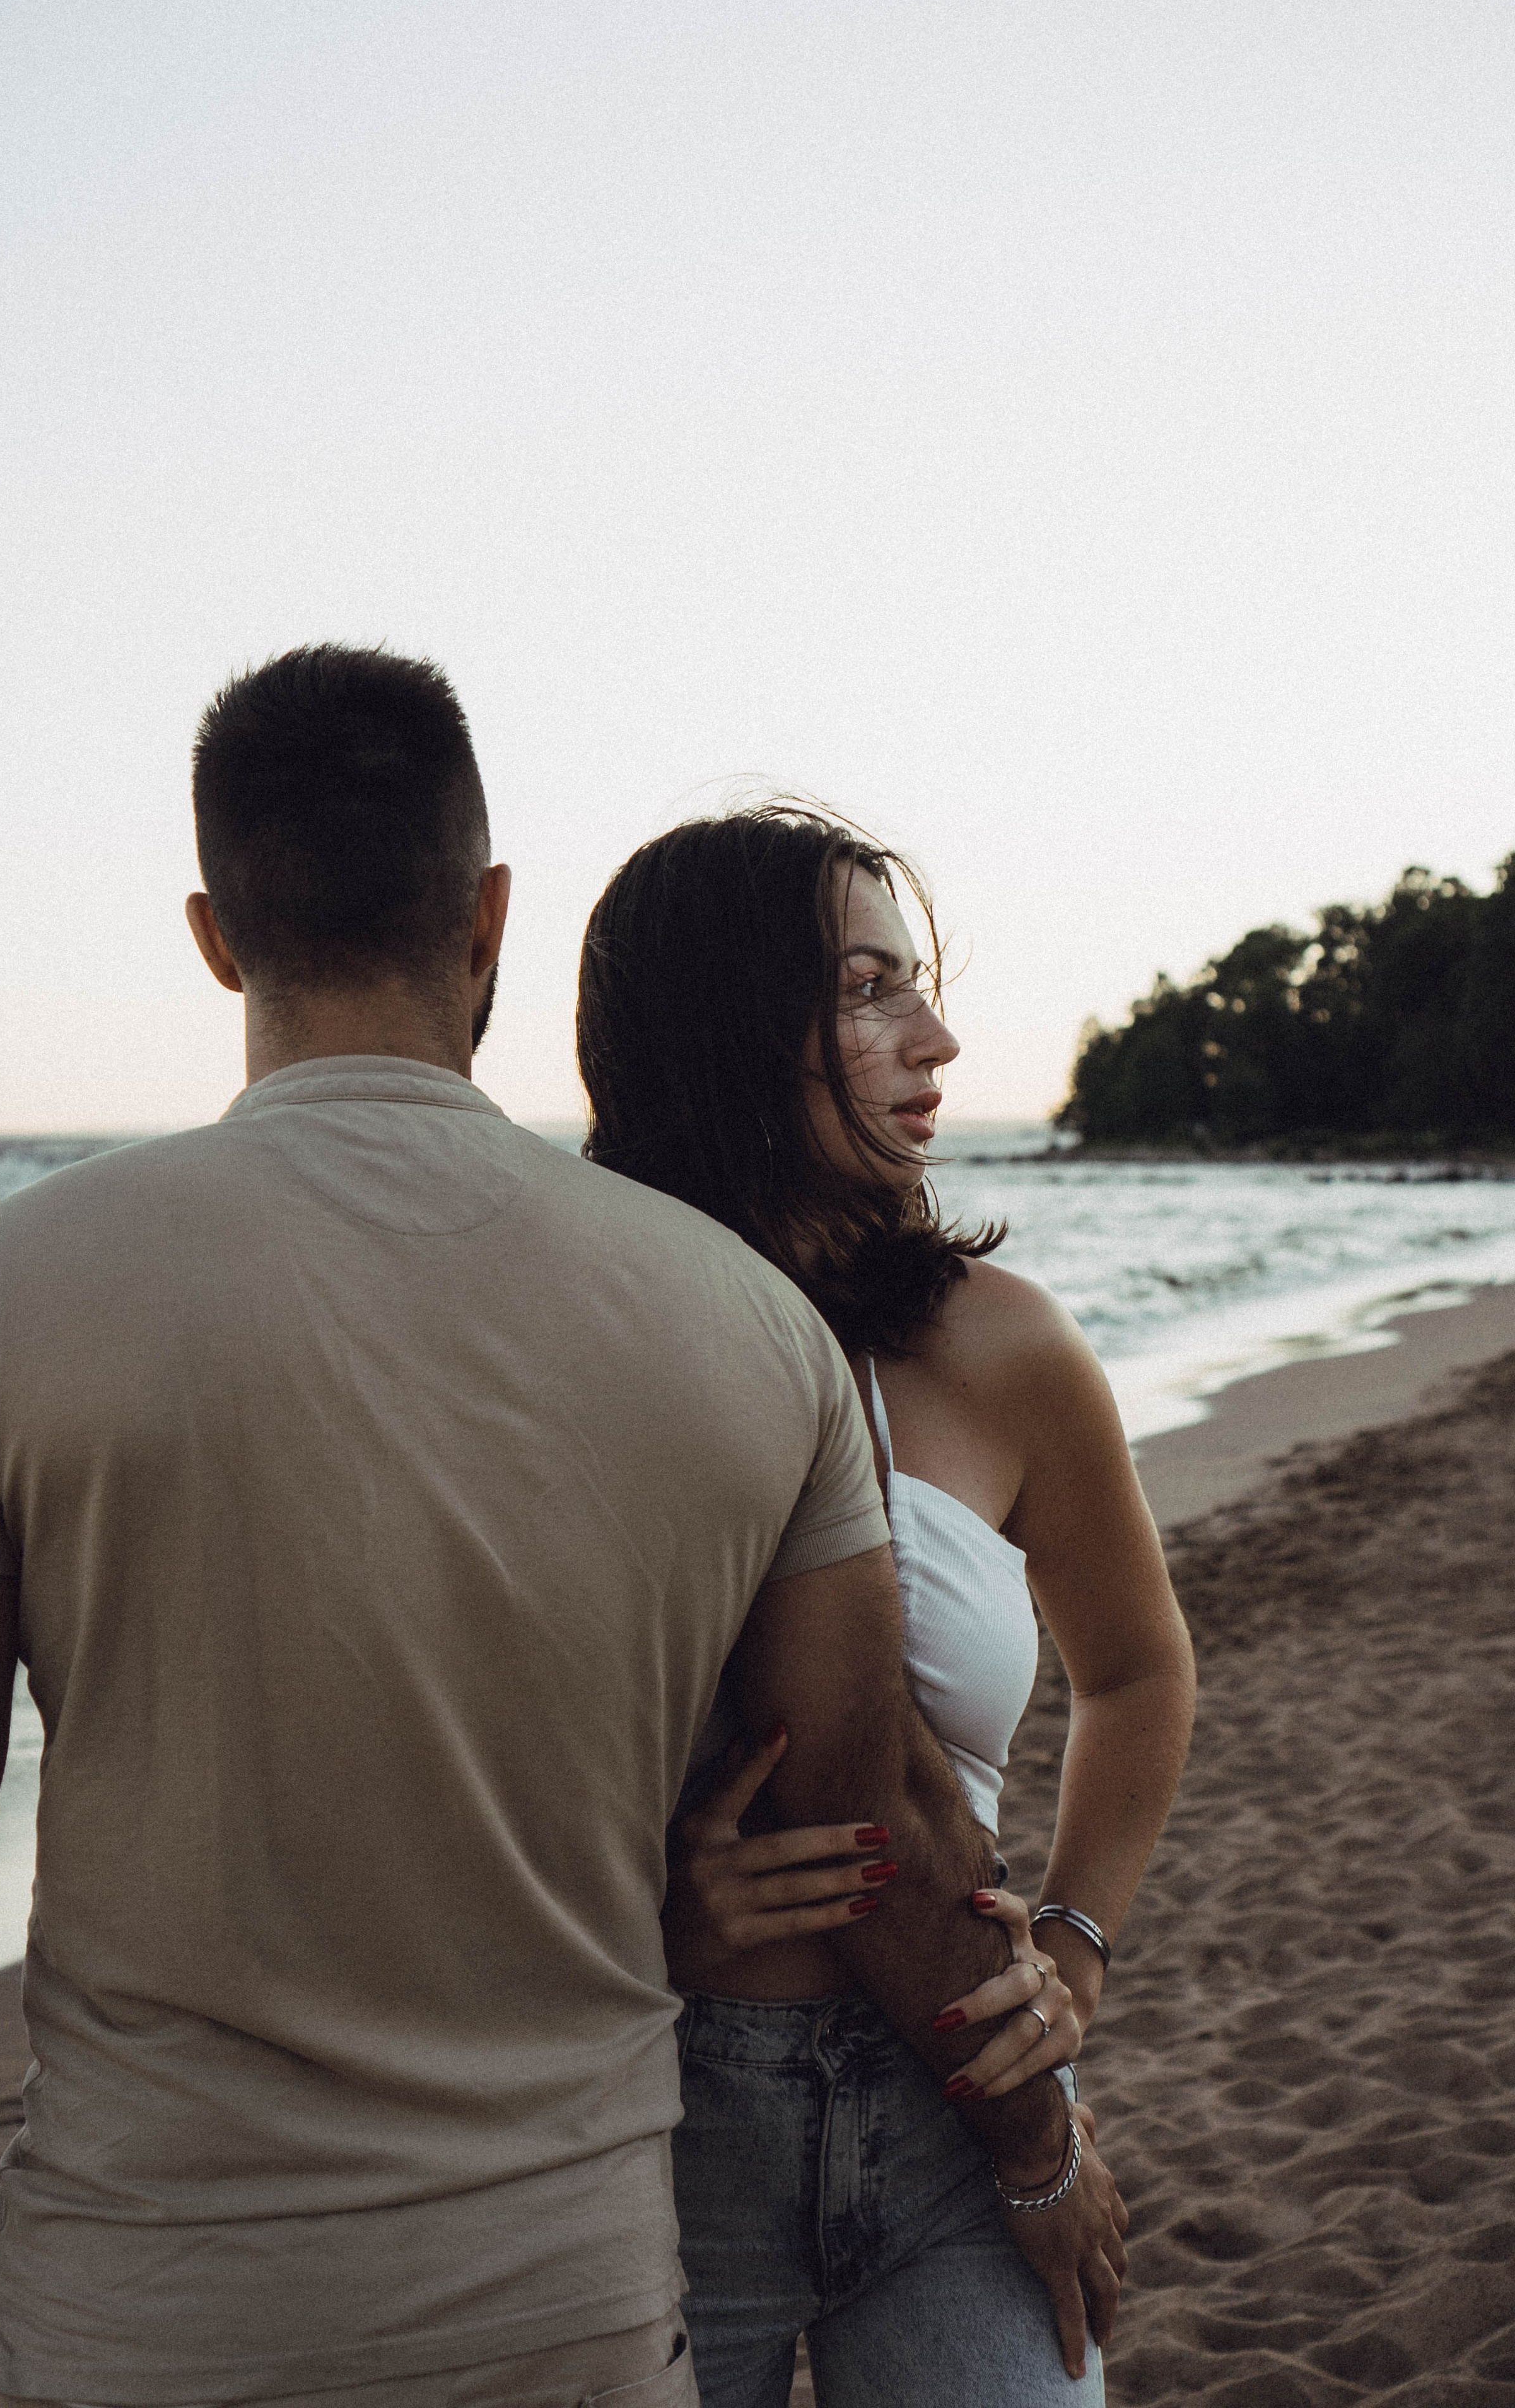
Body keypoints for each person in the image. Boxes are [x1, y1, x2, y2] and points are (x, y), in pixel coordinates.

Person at [0, 654, 1118, 2408]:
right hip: (570, 2316)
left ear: (214, 935)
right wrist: (1037, 2147)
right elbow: (878, 1793)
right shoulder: (740, 1324)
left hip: (133, 2318)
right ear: (487, 916)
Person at [576, 805, 1195, 2405]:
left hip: (958, 2102)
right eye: (865, 990)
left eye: (913, 983)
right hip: (650, 2128)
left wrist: (1075, 1948)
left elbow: (1133, 1674)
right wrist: (654, 1910)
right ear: (723, 1025)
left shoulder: (1003, 1348)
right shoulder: (585, 1357)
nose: (934, 1036)